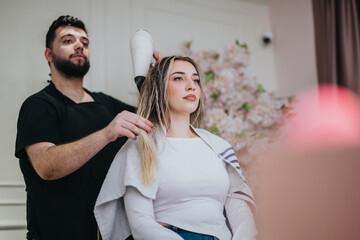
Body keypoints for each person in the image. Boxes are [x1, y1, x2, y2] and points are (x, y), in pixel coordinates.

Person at [15, 15, 158, 240]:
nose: (80, 45)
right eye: (68, 40)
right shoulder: (38, 105)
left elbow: (153, 122)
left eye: (85, 42)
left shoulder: (107, 104)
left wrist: (151, 82)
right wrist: (106, 134)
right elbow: (46, 166)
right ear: (48, 55)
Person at [94, 56, 257, 240]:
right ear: (159, 88)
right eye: (179, 78)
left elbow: (240, 213)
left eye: (195, 80)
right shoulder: (143, 146)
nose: (191, 86)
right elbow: (140, 223)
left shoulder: (219, 147)